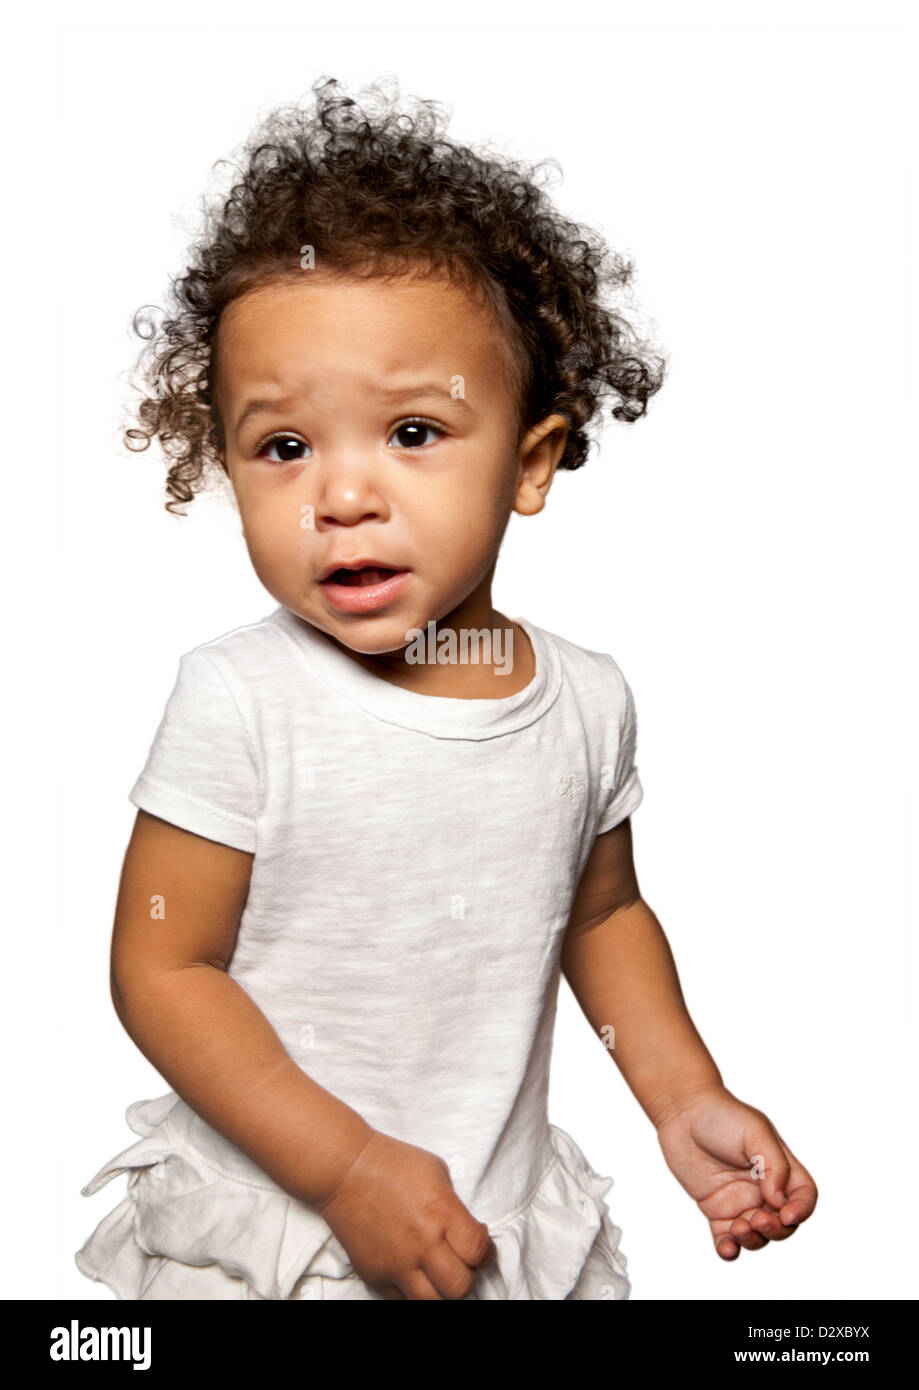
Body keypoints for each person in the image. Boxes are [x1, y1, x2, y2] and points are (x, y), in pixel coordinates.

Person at [74, 75, 817, 1301]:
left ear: (530, 463)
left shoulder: (583, 701)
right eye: (285, 445)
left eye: (412, 432)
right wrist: (349, 1166)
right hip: (287, 1233)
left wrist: (681, 1098)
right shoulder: (241, 698)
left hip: (497, 1218)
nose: (343, 494)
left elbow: (598, 918)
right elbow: (162, 968)